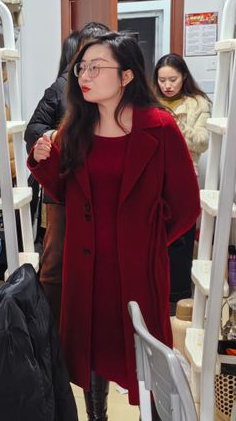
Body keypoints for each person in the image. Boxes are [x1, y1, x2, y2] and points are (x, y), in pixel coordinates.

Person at [28, 33, 200, 419]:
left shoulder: (159, 126)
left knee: (147, 351)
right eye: (81, 68)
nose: (84, 76)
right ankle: (97, 416)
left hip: (137, 269)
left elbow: (186, 204)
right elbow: (64, 192)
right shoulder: (75, 127)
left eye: (96, 67)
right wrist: (43, 161)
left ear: (126, 76)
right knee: (91, 350)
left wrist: (148, 239)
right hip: (85, 267)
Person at [24, 22, 108, 327]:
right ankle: (49, 332)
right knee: (55, 264)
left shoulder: (115, 90)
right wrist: (55, 137)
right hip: (62, 189)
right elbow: (33, 129)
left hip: (100, 191)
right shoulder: (62, 87)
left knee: (97, 265)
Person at [154, 53, 211, 303]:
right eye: (162, 80)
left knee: (181, 238)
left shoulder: (198, 103)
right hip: (153, 177)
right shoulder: (149, 102)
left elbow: (202, 142)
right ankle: (154, 294)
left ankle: (178, 298)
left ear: (184, 77)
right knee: (155, 239)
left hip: (185, 176)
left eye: (173, 79)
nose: (167, 85)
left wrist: (174, 124)